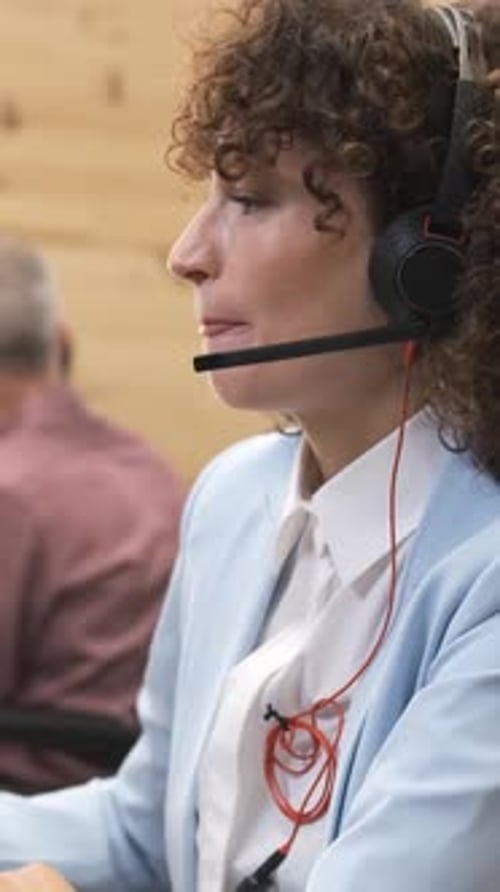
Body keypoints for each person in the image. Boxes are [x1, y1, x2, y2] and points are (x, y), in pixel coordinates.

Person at [0, 0, 498, 889]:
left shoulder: (486, 582)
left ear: (426, 262)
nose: (187, 254)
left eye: (250, 200)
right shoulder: (235, 497)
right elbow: (142, 836)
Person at [0, 236, 186, 793]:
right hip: (141, 799)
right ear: (63, 342)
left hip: (29, 808)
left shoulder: (11, 492)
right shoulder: (152, 470)